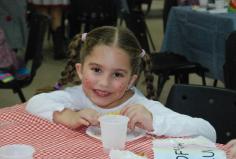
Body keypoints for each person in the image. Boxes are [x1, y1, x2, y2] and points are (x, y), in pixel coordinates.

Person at [26, 26, 216, 142]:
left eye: (117, 74)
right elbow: (35, 102)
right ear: (80, 70)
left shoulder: (140, 107)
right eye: (97, 70)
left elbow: (208, 132)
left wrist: (153, 122)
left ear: (131, 80)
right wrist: (67, 116)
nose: (104, 83)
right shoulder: (79, 95)